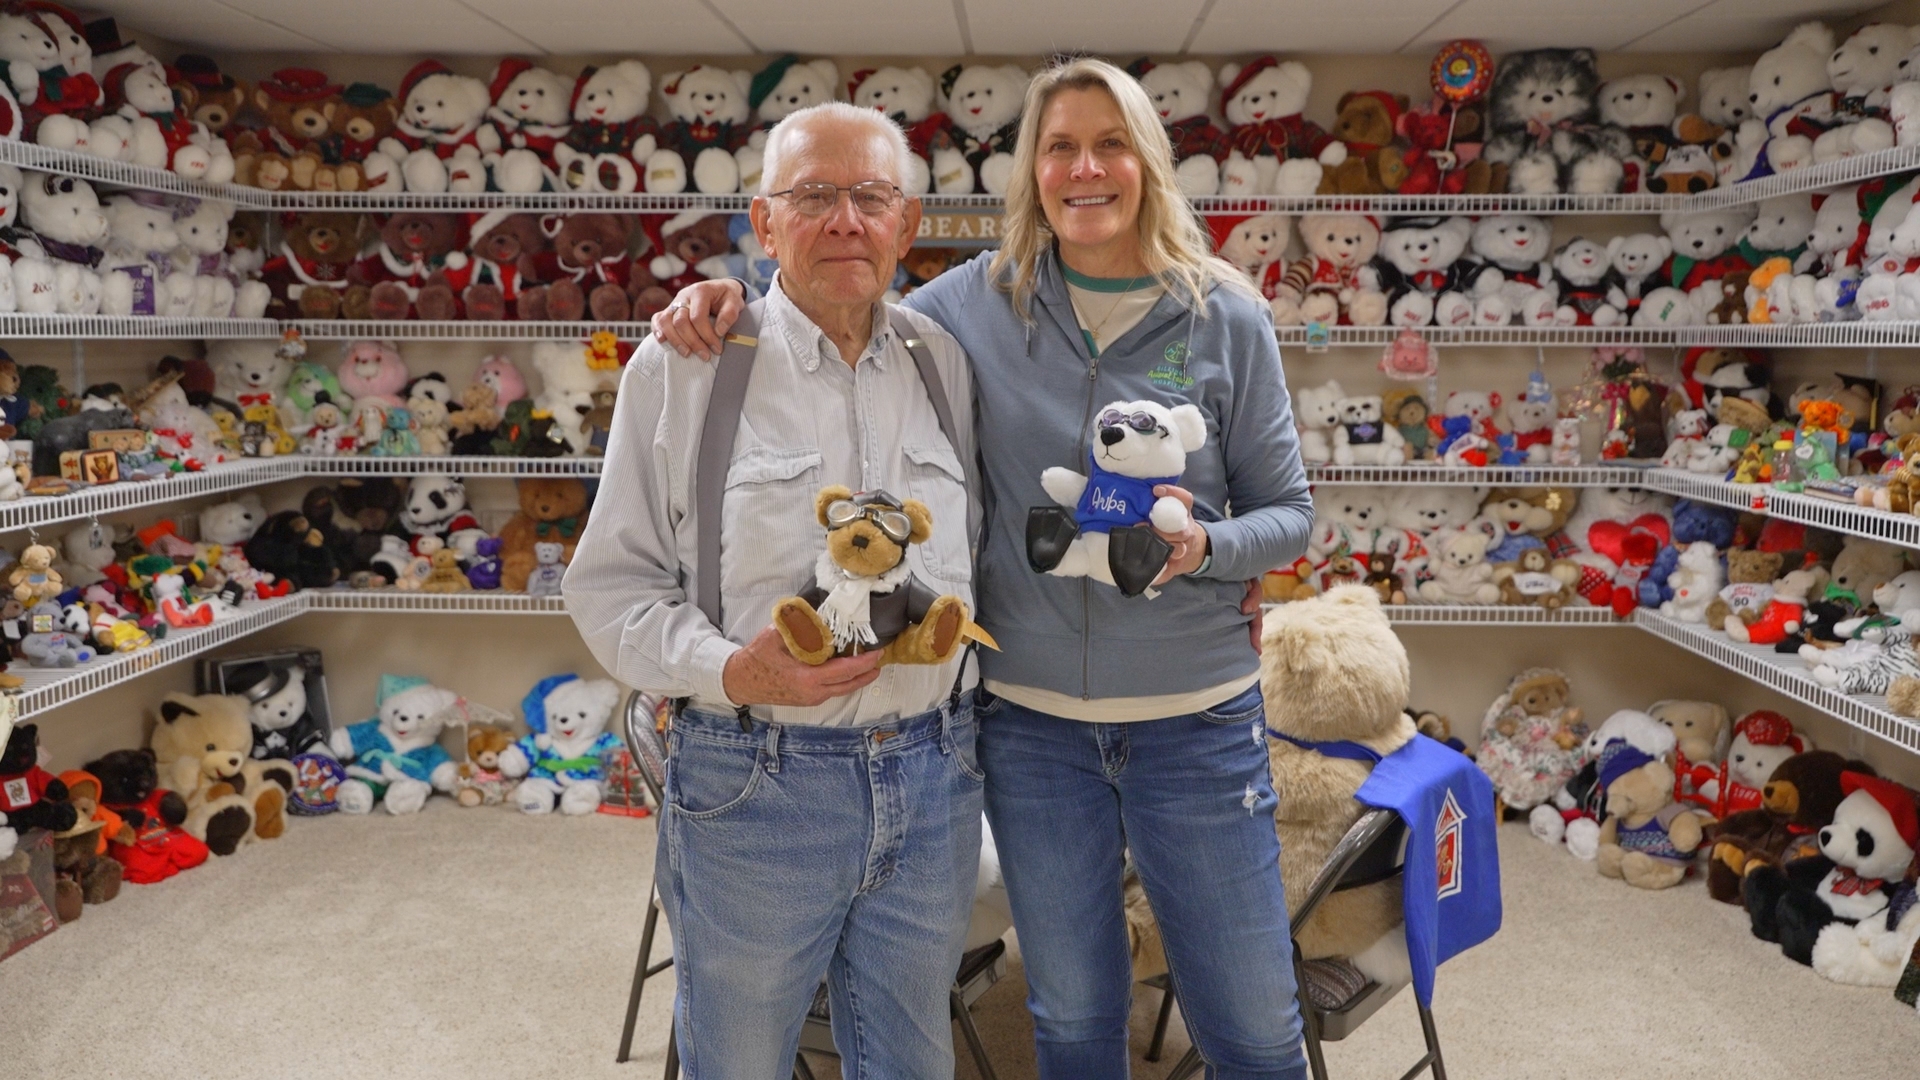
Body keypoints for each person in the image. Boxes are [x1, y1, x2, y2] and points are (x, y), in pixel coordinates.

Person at [654, 59, 1316, 1080]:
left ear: (1147, 161)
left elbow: (1289, 515)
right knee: (1073, 1018)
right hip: (1030, 727)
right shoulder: (967, 307)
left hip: (1196, 719)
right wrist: (724, 298)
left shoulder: (1226, 314)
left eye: (1110, 144)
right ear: (1031, 171)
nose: (1085, 168)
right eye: (1061, 146)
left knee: (1256, 1029)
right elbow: (837, 291)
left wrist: (1210, 549)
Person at [566, 102, 982, 1078]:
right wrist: (731, 671)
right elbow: (612, 589)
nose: (846, 220)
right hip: (756, 783)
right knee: (741, 1060)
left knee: (914, 1062)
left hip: (934, 778)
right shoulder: (686, 366)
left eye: (871, 196)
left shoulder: (944, 361)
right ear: (763, 223)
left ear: (908, 223)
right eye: (813, 196)